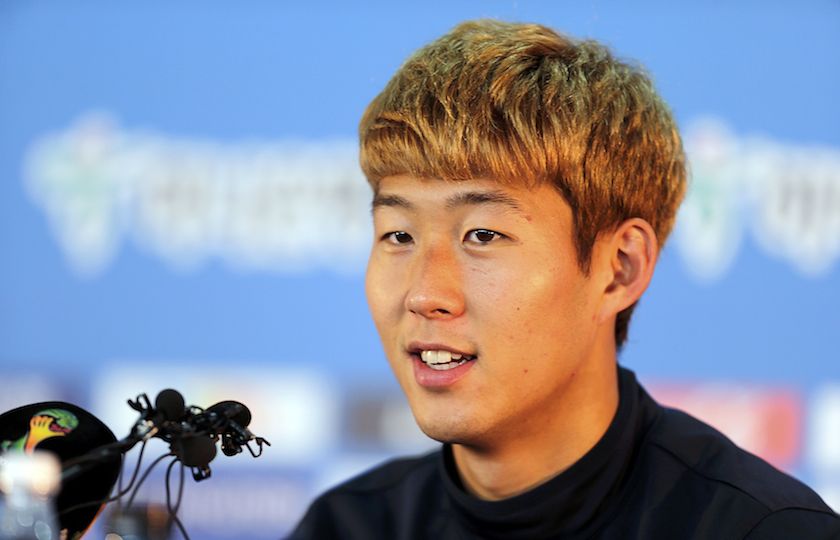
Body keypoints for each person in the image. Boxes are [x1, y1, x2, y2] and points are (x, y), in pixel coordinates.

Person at [290, 20, 840, 539]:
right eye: (398, 235)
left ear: (620, 268)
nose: (425, 294)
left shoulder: (760, 529)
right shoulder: (346, 526)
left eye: (482, 234)